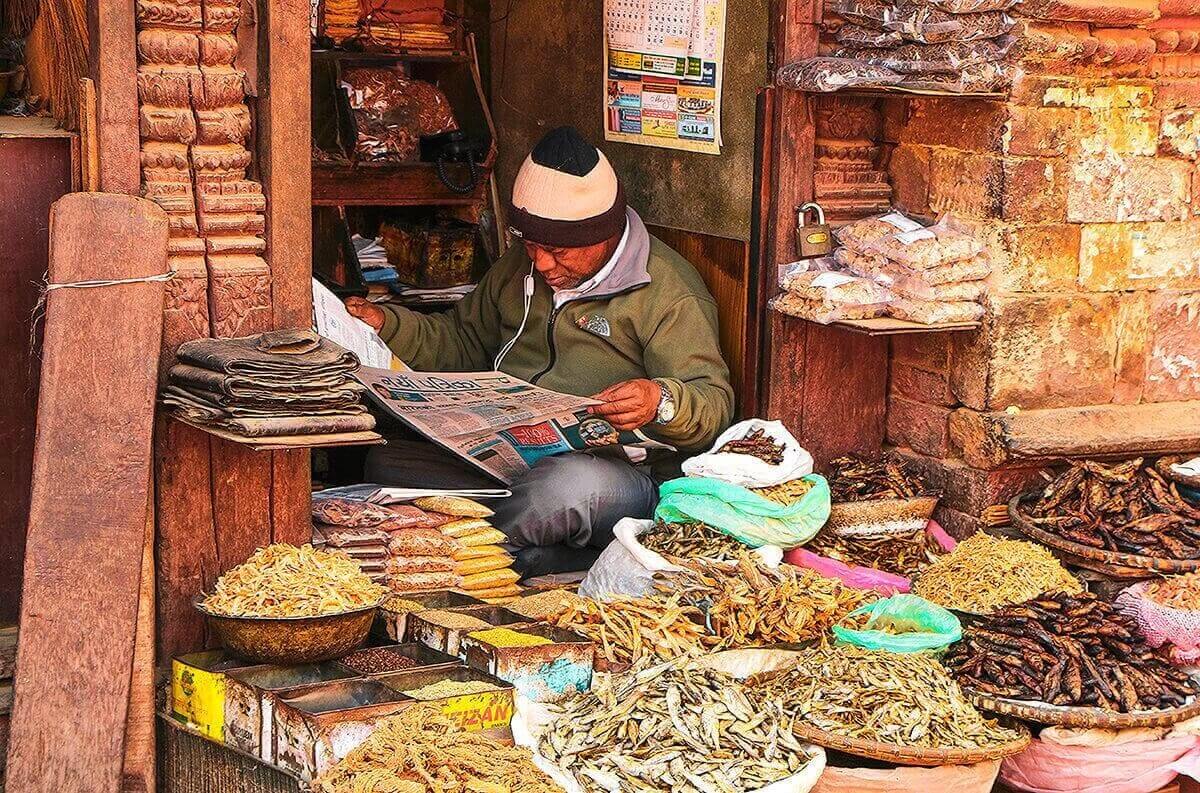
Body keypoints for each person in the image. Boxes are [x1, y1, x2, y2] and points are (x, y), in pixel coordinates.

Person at [346, 126, 733, 577]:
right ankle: (532, 556)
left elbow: (714, 406)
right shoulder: (522, 267)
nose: (543, 263)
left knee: (563, 490)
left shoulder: (668, 292)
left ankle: (465, 563)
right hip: (507, 459)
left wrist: (658, 401)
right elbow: (463, 341)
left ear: (603, 236)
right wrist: (388, 323)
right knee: (386, 459)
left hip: (613, 475)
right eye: (532, 245)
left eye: (556, 250)